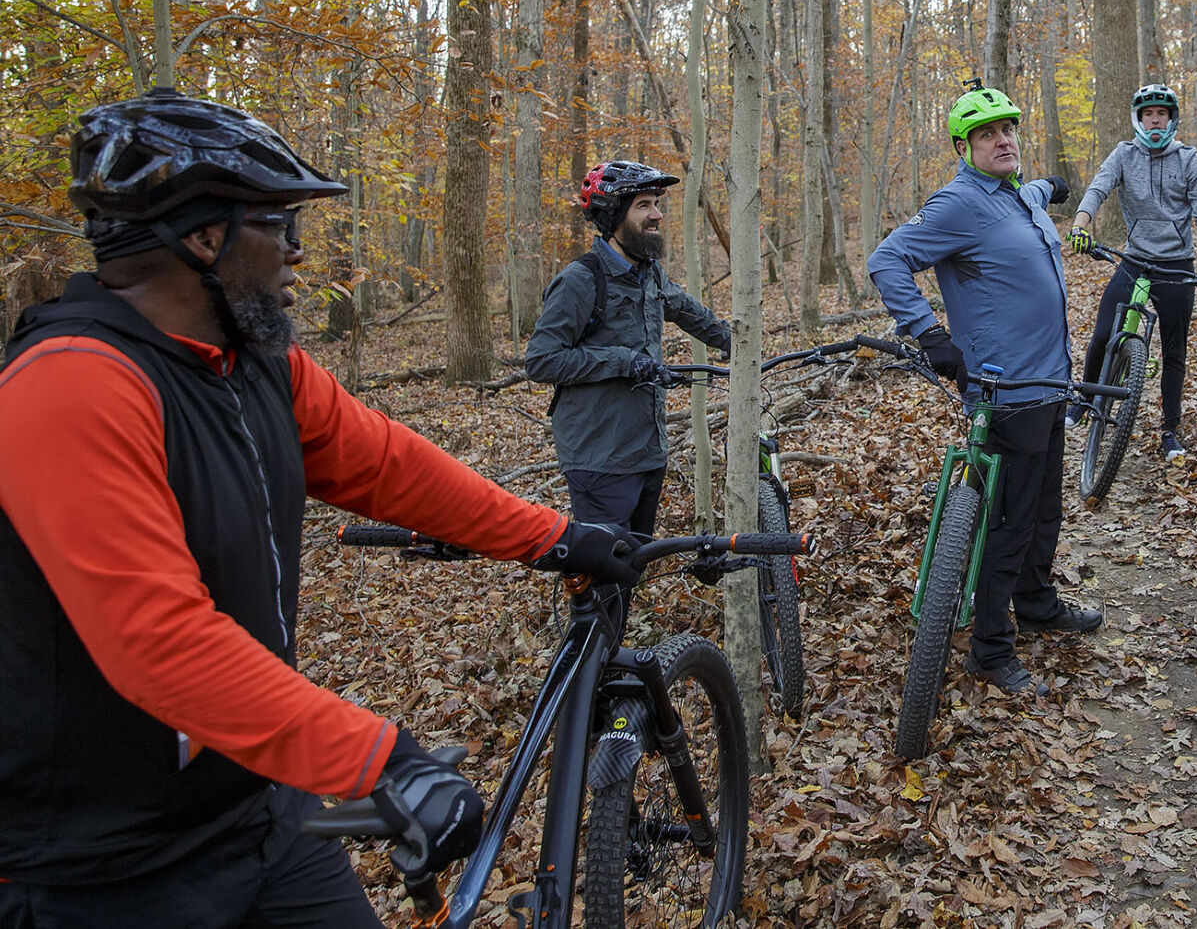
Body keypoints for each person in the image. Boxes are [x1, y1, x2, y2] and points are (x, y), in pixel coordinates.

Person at [0, 90, 641, 928]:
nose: (300, 256)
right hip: (95, 870)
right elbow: (159, 644)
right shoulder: (70, 385)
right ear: (203, 238)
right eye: (279, 227)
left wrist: (556, 537)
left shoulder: (251, 360)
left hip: (256, 815)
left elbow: (390, 467)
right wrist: (381, 761)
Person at [866, 80, 1099, 697]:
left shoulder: (1017, 195)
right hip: (1005, 391)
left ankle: (1039, 604)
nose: (1003, 140)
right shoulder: (957, 204)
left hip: (1049, 381)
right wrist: (931, 336)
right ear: (962, 146)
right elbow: (886, 260)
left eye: (1009, 129)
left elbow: (1039, 189)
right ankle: (991, 649)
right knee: (1010, 523)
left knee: (1044, 510)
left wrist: (1057, 186)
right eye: (987, 134)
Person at [525, 161, 731, 536]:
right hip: (599, 456)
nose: (657, 215)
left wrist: (737, 342)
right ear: (614, 216)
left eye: (656, 203)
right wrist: (624, 362)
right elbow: (541, 360)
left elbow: (684, 309)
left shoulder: (648, 271)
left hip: (647, 451)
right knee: (605, 571)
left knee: (633, 563)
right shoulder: (581, 280)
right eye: (644, 205)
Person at [1067, 83, 1197, 460]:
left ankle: (1170, 429)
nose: (1155, 121)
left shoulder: (1189, 159)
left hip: (1176, 266)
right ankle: (1086, 399)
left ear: (1171, 119)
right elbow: (1098, 188)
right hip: (1135, 260)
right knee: (1104, 333)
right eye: (1148, 114)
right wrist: (1079, 224)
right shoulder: (1124, 154)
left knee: (1174, 350)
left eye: (1162, 114)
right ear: (1138, 119)